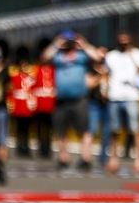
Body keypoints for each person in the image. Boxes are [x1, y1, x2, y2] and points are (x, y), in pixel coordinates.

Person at [43, 31, 101, 171]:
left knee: (84, 130)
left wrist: (84, 44)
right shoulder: (58, 57)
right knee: (61, 131)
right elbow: (45, 57)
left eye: (70, 41)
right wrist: (57, 43)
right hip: (61, 100)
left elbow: (98, 57)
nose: (68, 44)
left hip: (79, 100)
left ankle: (86, 158)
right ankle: (64, 159)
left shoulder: (81, 56)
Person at [105, 33, 139, 175]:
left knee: (135, 130)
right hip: (115, 96)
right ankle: (113, 159)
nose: (124, 43)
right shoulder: (111, 56)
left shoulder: (137, 54)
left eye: (126, 41)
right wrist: (105, 90)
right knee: (115, 130)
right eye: (121, 41)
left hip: (132, 96)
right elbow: (106, 74)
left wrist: (132, 56)